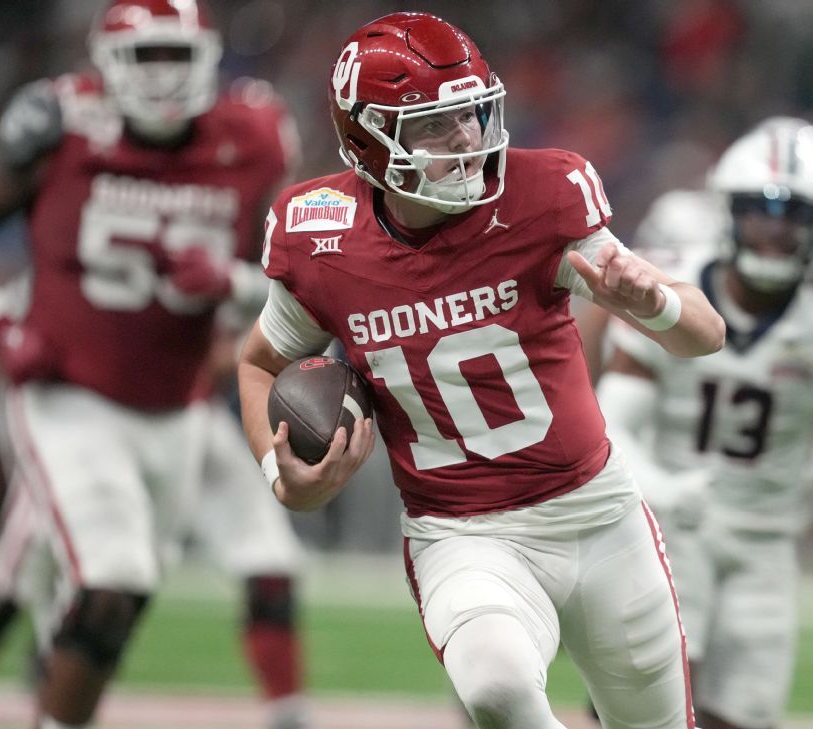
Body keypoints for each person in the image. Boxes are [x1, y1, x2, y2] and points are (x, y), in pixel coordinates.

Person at [237, 12, 725, 729]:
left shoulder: (544, 195)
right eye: (435, 125)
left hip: (597, 514)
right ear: (367, 139)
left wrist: (651, 304)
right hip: (461, 532)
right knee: (496, 687)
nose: (467, 137)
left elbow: (705, 334)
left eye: (469, 112)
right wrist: (281, 474)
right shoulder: (319, 235)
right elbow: (259, 362)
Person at [0, 1, 298, 727]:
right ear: (108, 61)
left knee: (121, 599)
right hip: (68, 396)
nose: (163, 76)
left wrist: (232, 281)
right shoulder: (60, 125)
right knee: (107, 577)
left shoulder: (254, 137)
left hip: (180, 405)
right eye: (147, 56)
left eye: (176, 55)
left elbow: (298, 273)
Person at [596, 117, 813, 729]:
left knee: (745, 712)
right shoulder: (668, 284)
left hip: (767, 540)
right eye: (760, 210)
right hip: (663, 525)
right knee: (649, 697)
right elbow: (613, 421)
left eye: (794, 214)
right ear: (725, 211)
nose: (774, 229)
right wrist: (662, 487)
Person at [0, 324, 311, 729]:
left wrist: (268, 344)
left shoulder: (252, 265)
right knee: (13, 577)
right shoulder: (67, 270)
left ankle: (288, 713)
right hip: (81, 423)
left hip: (185, 416)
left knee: (267, 559)